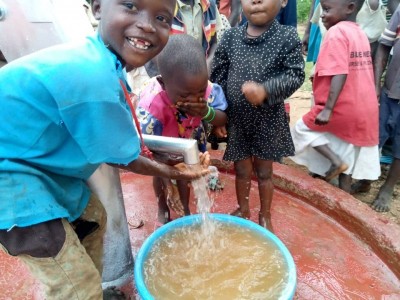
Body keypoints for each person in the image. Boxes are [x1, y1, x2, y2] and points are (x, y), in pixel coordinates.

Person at [0, 0, 211, 299]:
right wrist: (174, 170)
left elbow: (123, 144)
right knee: (71, 281)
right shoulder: (91, 75)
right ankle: (82, 291)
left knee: (94, 219)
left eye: (161, 17)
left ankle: (93, 290)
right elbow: (122, 157)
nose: (147, 24)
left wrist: (171, 162)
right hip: (11, 181)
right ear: (98, 8)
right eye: (130, 6)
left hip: (37, 164)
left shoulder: (101, 59)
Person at [210, 0, 305, 231]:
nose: (256, 1)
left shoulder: (286, 37)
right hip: (238, 120)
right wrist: (220, 115)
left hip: (268, 120)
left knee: (264, 172)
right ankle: (243, 209)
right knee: (241, 170)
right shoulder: (231, 38)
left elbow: (295, 75)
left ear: (283, 2)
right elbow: (218, 78)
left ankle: (265, 215)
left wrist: (266, 90)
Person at [290, 0, 380, 193]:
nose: (322, 14)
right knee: (345, 145)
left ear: (349, 8)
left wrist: (328, 108)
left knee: (301, 130)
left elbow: (340, 71)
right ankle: (343, 192)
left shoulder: (336, 33)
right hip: (363, 105)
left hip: (341, 106)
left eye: (327, 9)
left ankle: (335, 161)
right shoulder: (359, 32)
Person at [137, 34, 227, 224]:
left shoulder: (205, 89)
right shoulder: (152, 106)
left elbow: (223, 117)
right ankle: (163, 207)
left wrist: (205, 112)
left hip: (190, 135)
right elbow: (149, 152)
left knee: (187, 174)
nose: (194, 98)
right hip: (160, 141)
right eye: (186, 95)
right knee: (161, 174)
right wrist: (168, 182)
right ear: (164, 84)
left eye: (200, 91)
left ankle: (185, 210)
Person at [353, 5, 400, 212]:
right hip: (391, 89)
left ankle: (388, 187)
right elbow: (384, 46)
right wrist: (376, 83)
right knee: (373, 137)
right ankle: (365, 179)